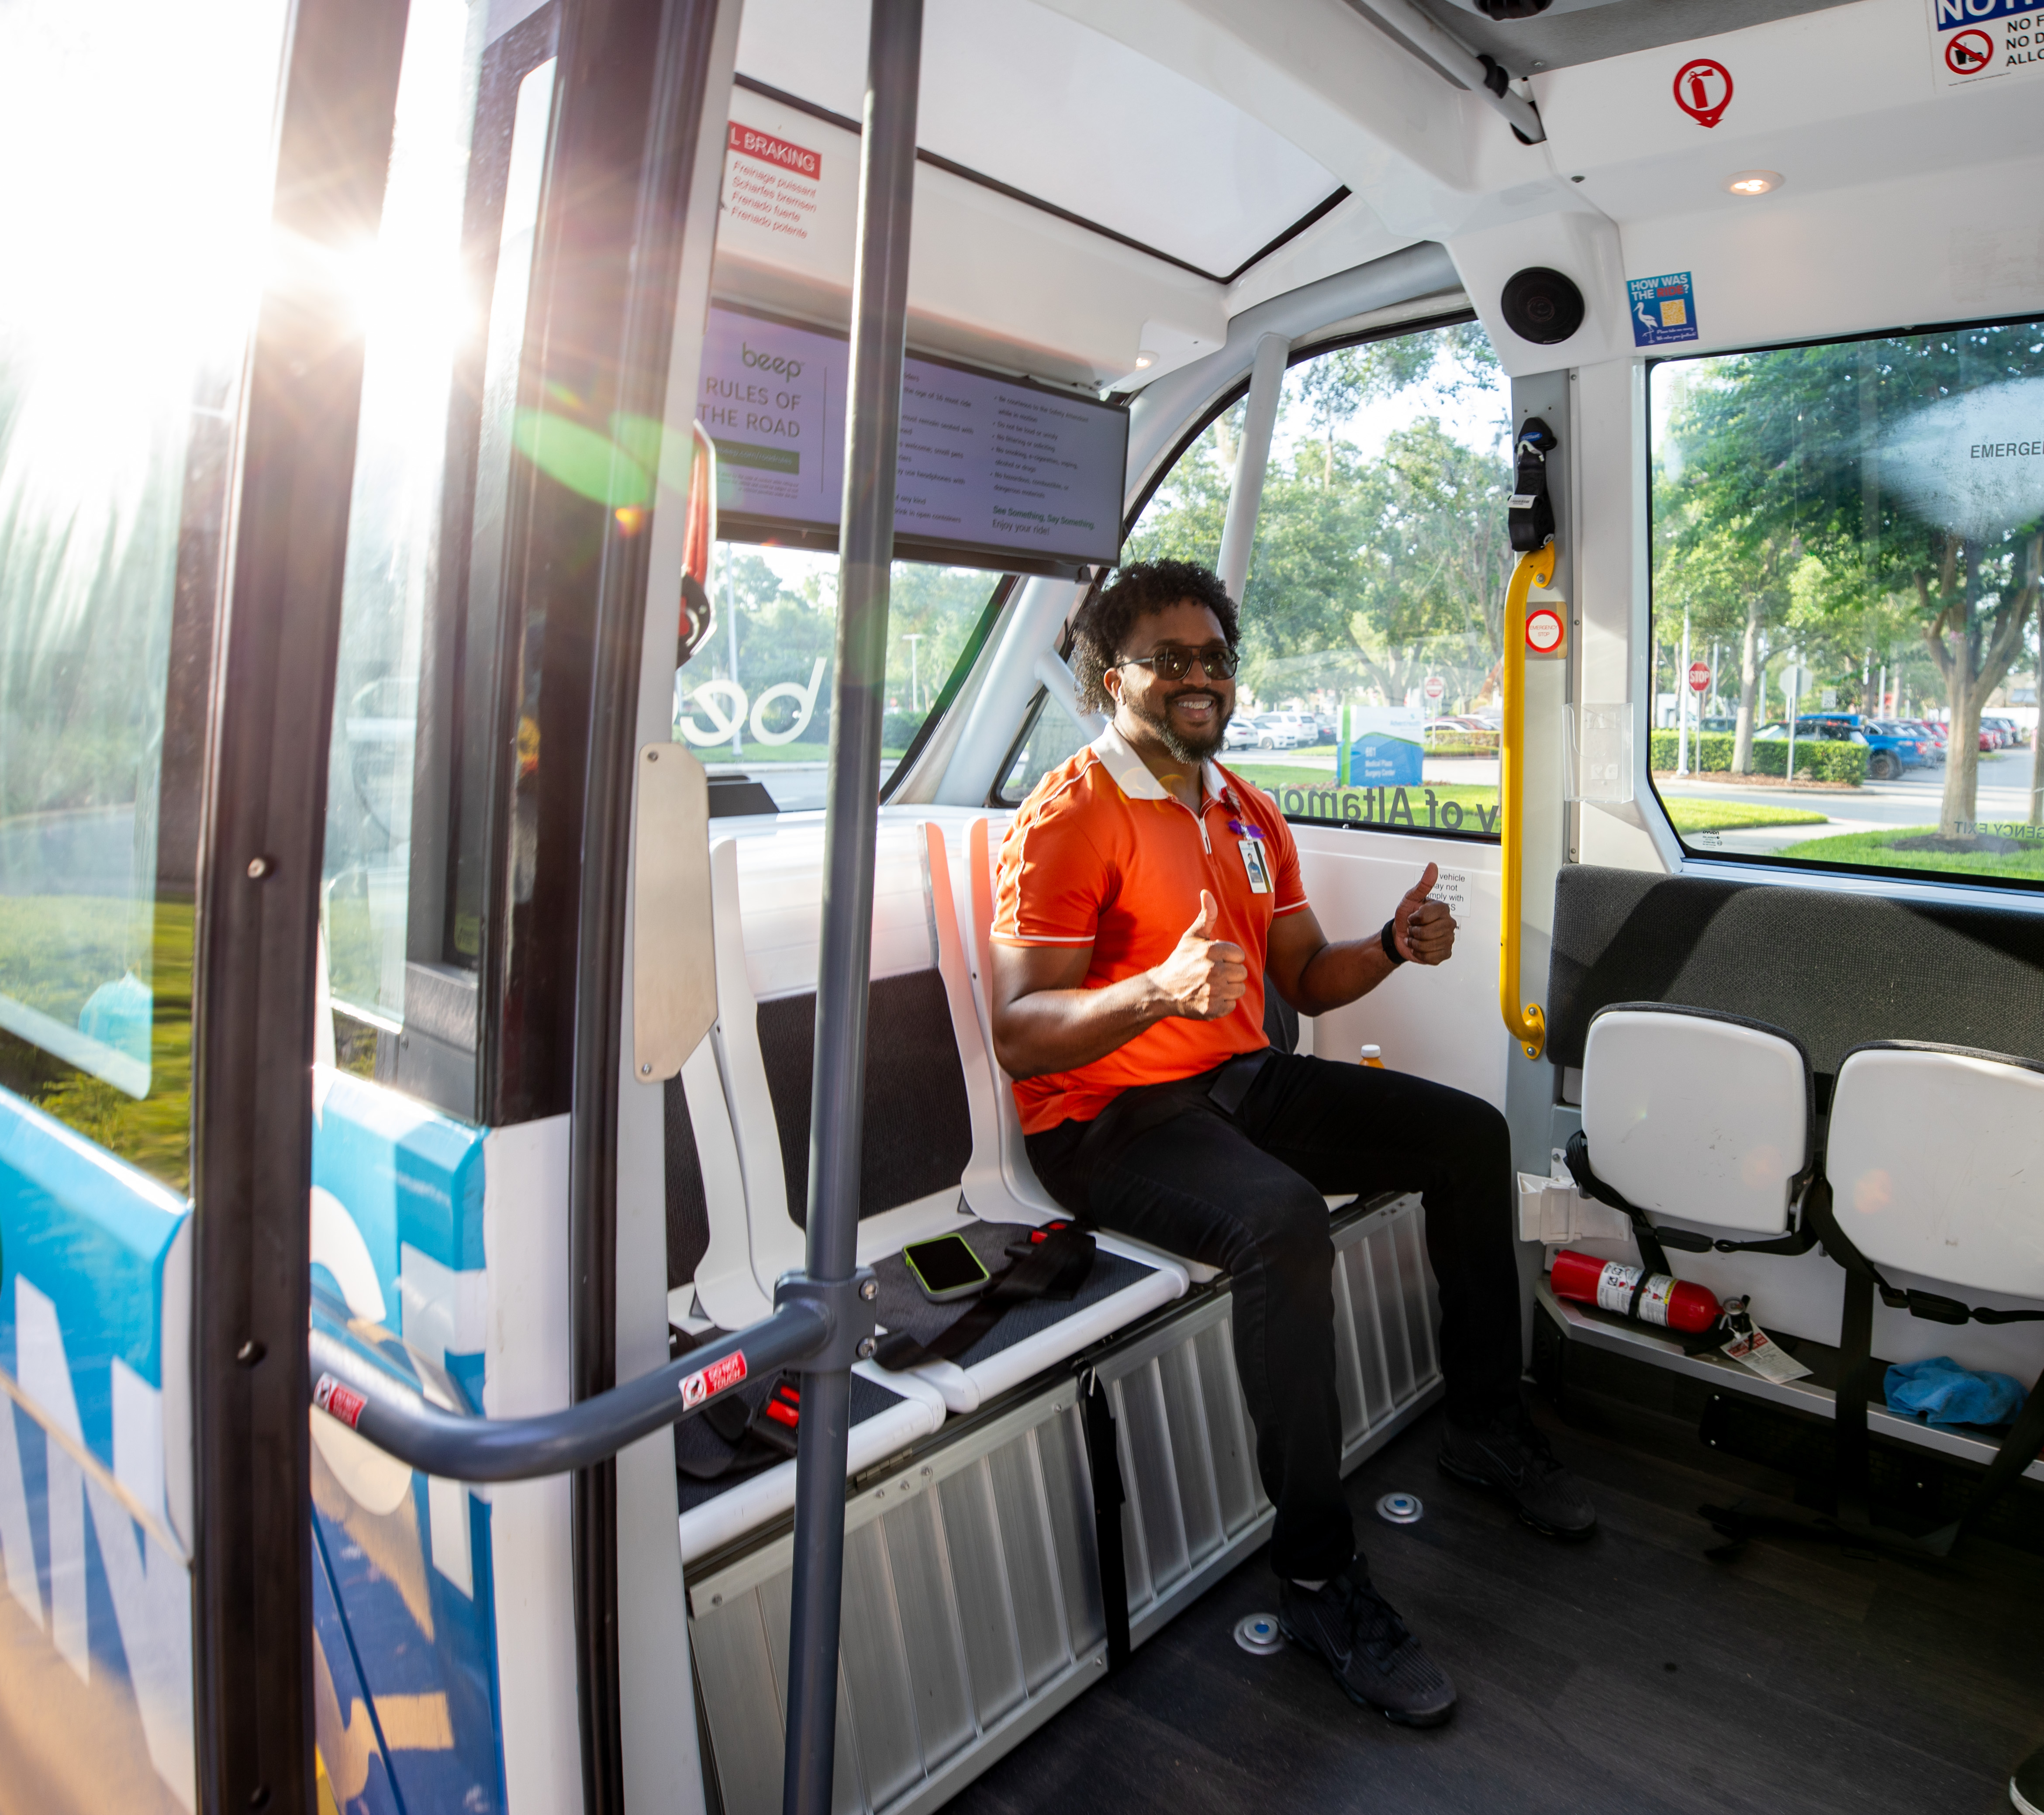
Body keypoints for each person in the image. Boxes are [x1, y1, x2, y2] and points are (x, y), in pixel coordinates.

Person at [988, 559, 1594, 1729]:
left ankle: (1482, 1425)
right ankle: (1320, 1575)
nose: (1203, 676)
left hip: (1236, 1080)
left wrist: (1393, 943)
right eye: (1173, 659)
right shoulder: (1071, 817)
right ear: (1114, 679)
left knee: (1467, 1134)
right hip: (1105, 1119)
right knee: (1281, 1222)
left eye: (1217, 656)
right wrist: (1154, 993)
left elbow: (1308, 974)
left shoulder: (1245, 811)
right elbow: (1023, 1036)